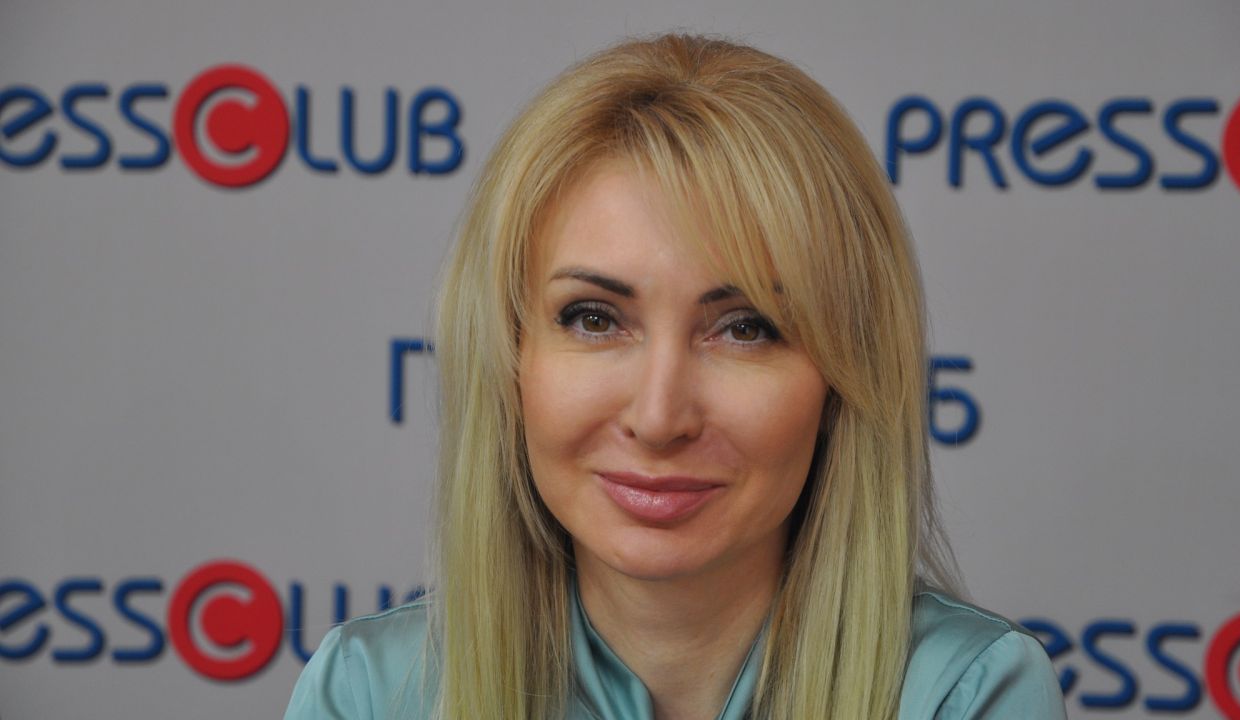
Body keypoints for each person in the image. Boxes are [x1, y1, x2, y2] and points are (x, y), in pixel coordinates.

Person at [283, 34, 1067, 720]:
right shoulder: (370, 695)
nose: (659, 418)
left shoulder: (964, 696)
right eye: (594, 319)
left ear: (842, 379)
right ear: (509, 358)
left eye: (747, 328)